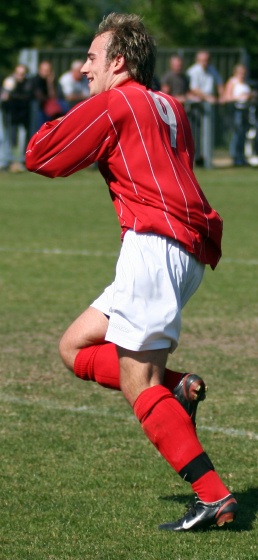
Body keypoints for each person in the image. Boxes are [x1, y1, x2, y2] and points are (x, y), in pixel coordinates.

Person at [26, 13, 238, 531]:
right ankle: (178, 386)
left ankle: (213, 496)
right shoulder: (170, 103)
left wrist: (85, 107)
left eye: (92, 59)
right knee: (73, 348)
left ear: (119, 61)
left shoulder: (118, 100)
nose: (82, 69)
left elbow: (41, 155)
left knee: (135, 381)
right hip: (182, 249)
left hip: (154, 246)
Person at [1, 63, 33, 172]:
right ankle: (9, 161)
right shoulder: (10, 82)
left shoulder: (28, 83)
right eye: (18, 74)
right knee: (9, 138)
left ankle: (19, 161)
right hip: (11, 115)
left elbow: (27, 96)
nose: (20, 76)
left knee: (23, 139)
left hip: (23, 115)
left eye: (22, 74)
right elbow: (5, 99)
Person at [223, 63, 252, 166]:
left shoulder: (245, 83)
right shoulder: (232, 82)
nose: (242, 74)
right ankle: (236, 156)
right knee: (237, 133)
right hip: (236, 110)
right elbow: (226, 98)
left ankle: (242, 156)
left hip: (245, 110)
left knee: (243, 134)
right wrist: (240, 97)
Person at [31, 60, 67, 131]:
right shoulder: (36, 80)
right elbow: (39, 96)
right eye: (45, 70)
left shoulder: (52, 81)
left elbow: (54, 96)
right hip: (40, 108)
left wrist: (50, 83)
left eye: (49, 70)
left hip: (50, 110)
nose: (47, 73)